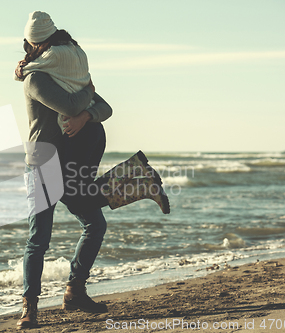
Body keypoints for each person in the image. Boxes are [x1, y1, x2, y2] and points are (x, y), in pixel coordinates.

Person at [14, 11, 170, 329]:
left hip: (70, 162)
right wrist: (86, 97)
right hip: (43, 165)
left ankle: (74, 290)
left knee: (94, 224)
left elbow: (105, 107)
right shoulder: (36, 79)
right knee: (38, 240)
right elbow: (74, 105)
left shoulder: (66, 76)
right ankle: (29, 307)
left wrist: (87, 116)